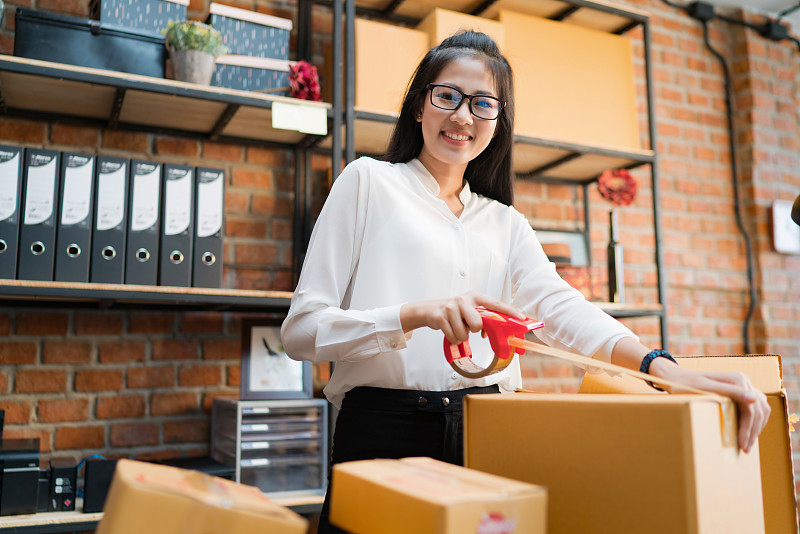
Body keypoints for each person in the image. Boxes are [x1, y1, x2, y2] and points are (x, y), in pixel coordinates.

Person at [281, 30, 770, 533]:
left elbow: (561, 310)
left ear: (498, 121)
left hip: (490, 431)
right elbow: (301, 332)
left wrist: (660, 367)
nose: (463, 116)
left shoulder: (505, 223)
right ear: (417, 107)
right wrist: (414, 315)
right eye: (447, 96)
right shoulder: (367, 183)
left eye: (483, 104)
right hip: (383, 433)